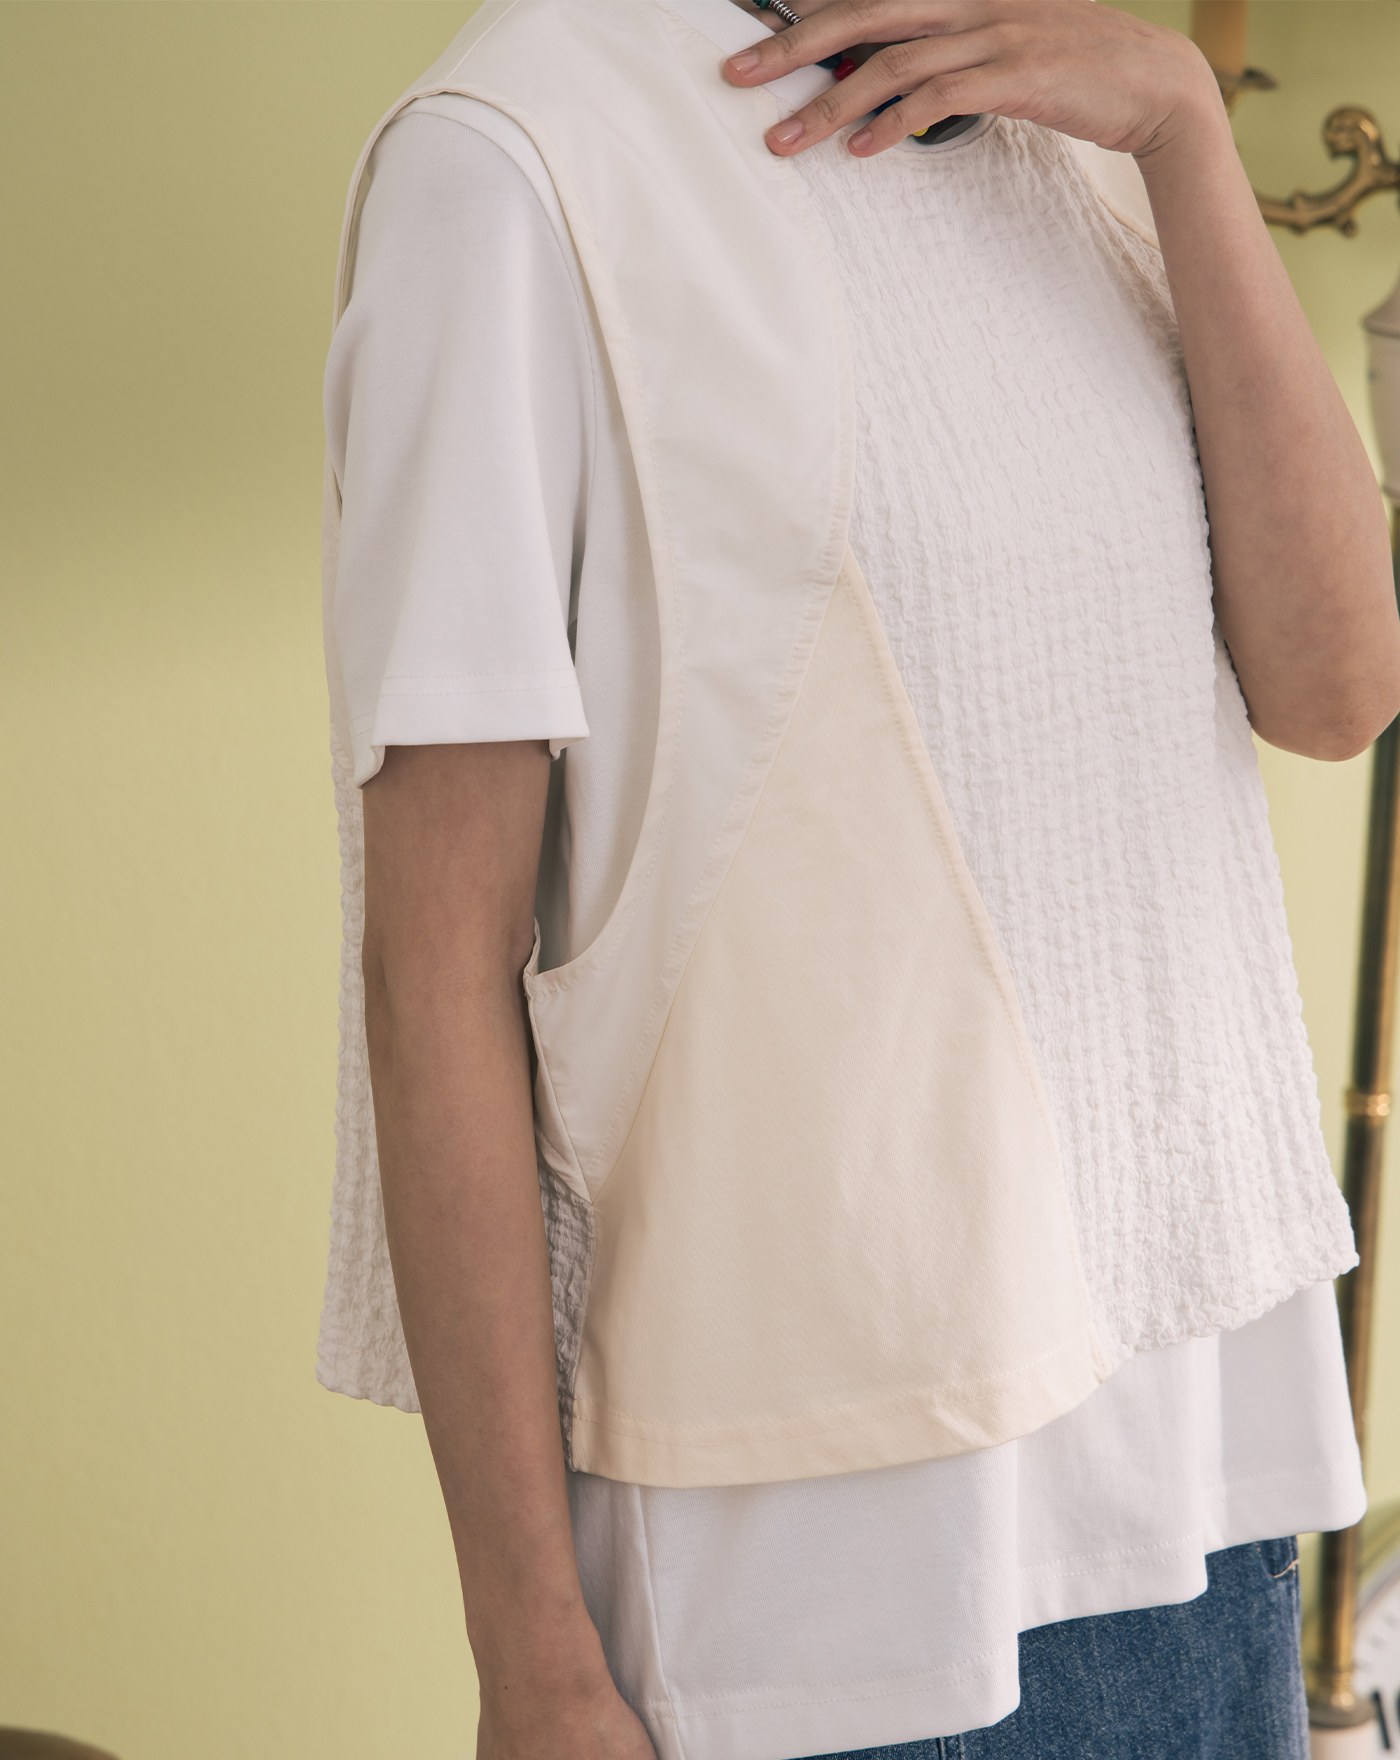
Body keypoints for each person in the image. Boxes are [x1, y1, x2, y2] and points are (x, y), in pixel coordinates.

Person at [318, 1, 1400, 1756]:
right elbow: (430, 970)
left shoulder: (1077, 117)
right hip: (821, 1578)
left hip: (1202, 1481)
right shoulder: (517, 162)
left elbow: (1338, 688)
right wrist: (528, 1652)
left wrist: (1187, 133)